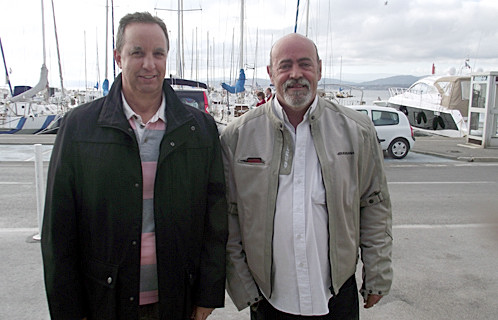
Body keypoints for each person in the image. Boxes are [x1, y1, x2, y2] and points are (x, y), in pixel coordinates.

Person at [41, 12, 227, 320]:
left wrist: (208, 295)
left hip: (177, 299)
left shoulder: (200, 130)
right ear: (118, 57)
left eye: (158, 53)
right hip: (103, 300)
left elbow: (215, 220)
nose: (149, 64)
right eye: (137, 52)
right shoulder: (80, 127)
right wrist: (68, 310)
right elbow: (58, 230)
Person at [220, 33, 392, 319]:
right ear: (270, 73)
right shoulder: (237, 137)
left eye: (305, 64)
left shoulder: (357, 131)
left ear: (319, 70)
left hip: (336, 296)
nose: (296, 74)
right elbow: (229, 216)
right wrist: (242, 286)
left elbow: (374, 204)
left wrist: (378, 272)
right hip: (268, 299)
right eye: (285, 65)